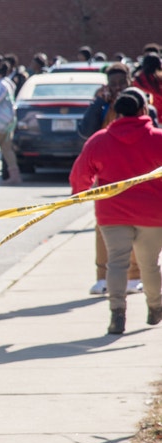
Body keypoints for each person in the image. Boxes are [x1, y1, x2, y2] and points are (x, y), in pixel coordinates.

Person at [69, 87, 162, 334]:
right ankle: (155, 307)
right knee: (149, 265)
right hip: (152, 215)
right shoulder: (157, 139)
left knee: (116, 264)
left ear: (117, 112)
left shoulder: (99, 140)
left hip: (112, 214)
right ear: (144, 110)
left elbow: (81, 175)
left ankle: (117, 314)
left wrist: (78, 194)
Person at [78, 62, 145, 296]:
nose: (118, 88)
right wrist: (98, 103)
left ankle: (134, 277)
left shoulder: (140, 103)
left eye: (121, 83)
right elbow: (87, 131)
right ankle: (101, 277)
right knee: (102, 227)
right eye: (113, 84)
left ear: (129, 81)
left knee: (137, 226)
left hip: (137, 176)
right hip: (107, 179)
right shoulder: (104, 104)